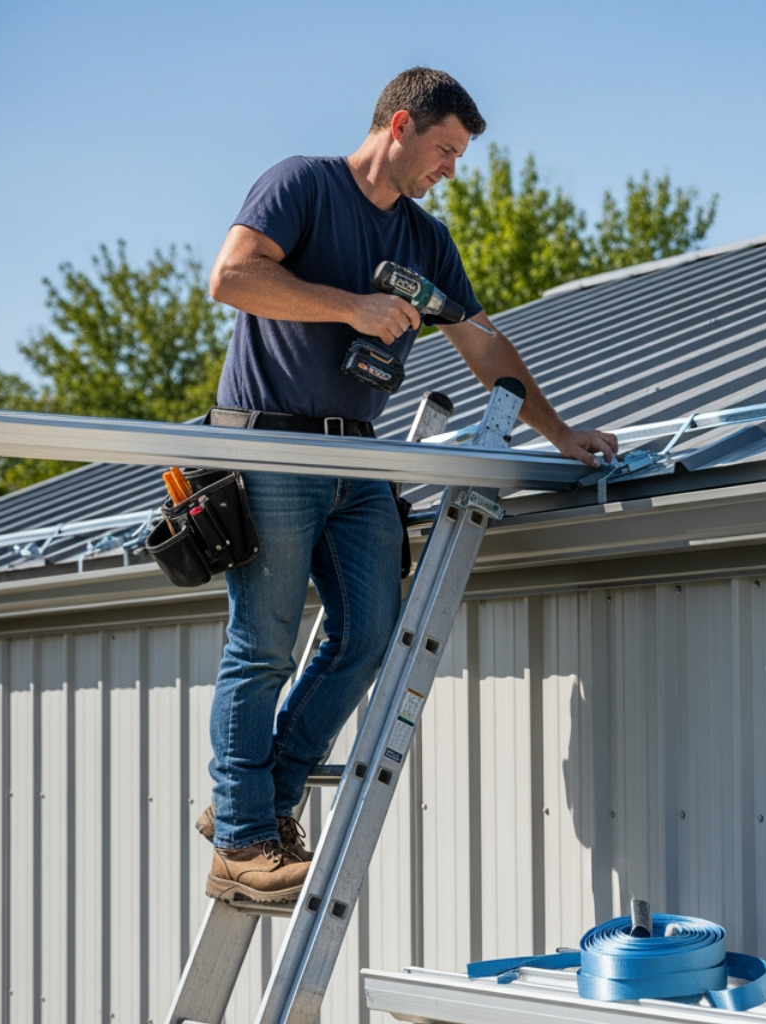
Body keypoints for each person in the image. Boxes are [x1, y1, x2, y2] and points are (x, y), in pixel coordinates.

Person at [198, 67, 617, 903]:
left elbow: (485, 346)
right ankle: (243, 845)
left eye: (458, 155)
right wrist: (351, 308)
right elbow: (232, 277)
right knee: (265, 645)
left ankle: (250, 805)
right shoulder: (303, 185)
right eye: (445, 149)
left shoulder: (427, 242)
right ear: (399, 125)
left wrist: (560, 432)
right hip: (273, 447)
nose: (451, 169)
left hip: (359, 458)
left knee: (370, 636)